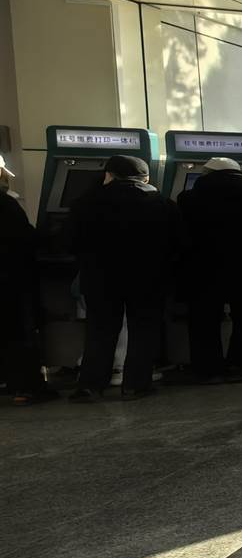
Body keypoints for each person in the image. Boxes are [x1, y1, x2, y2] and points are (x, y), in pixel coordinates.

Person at [70, 155, 184, 402]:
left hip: (100, 279)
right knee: (144, 329)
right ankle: (135, 385)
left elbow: (71, 241)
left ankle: (90, 386)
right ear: (146, 178)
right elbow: (177, 243)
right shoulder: (162, 204)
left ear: (109, 175)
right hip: (147, 279)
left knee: (100, 330)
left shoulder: (86, 202)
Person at [177, 156, 242, 381]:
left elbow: (179, 234)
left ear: (206, 174)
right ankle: (240, 364)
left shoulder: (188, 199)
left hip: (203, 267)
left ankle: (208, 368)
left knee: (204, 319)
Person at [0, 154, 56, 406]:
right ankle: (26, 388)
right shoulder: (5, 204)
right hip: (10, 281)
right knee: (18, 335)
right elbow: (25, 239)